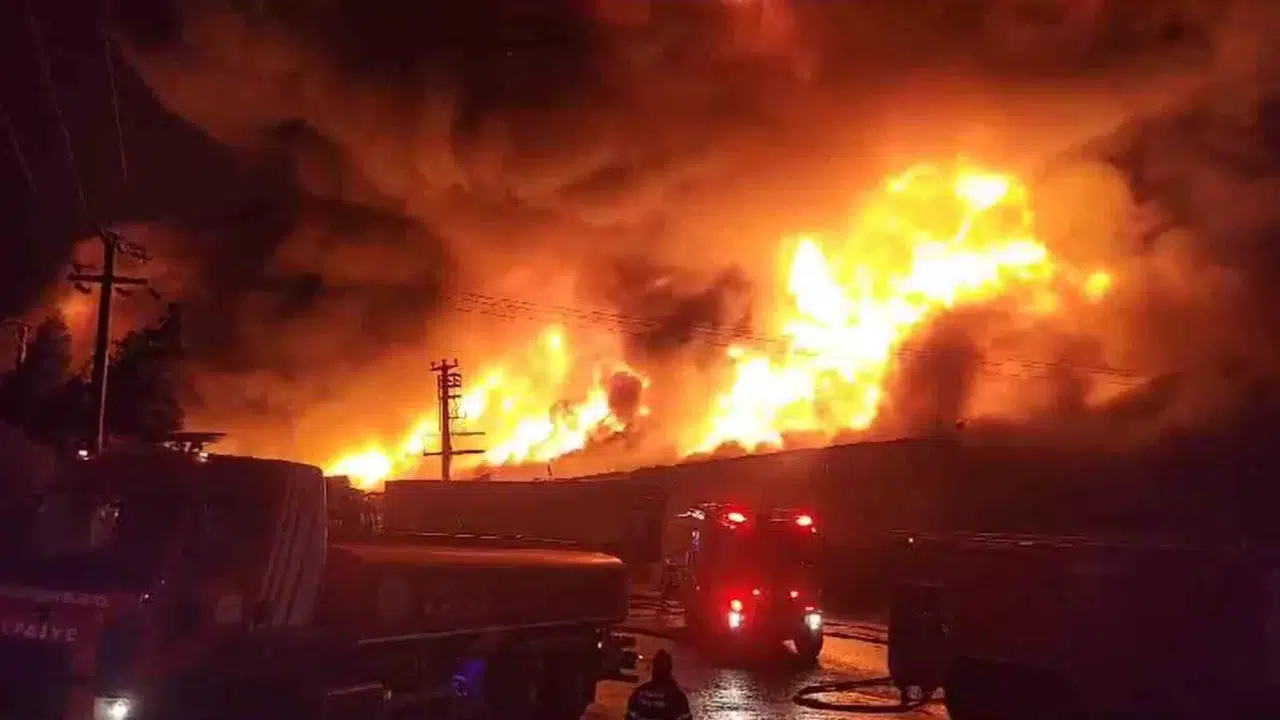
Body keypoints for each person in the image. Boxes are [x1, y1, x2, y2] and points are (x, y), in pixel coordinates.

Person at [625, 649, 692, 720]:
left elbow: (630, 717)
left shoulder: (639, 693)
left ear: (654, 669)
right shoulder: (677, 696)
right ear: (669, 669)